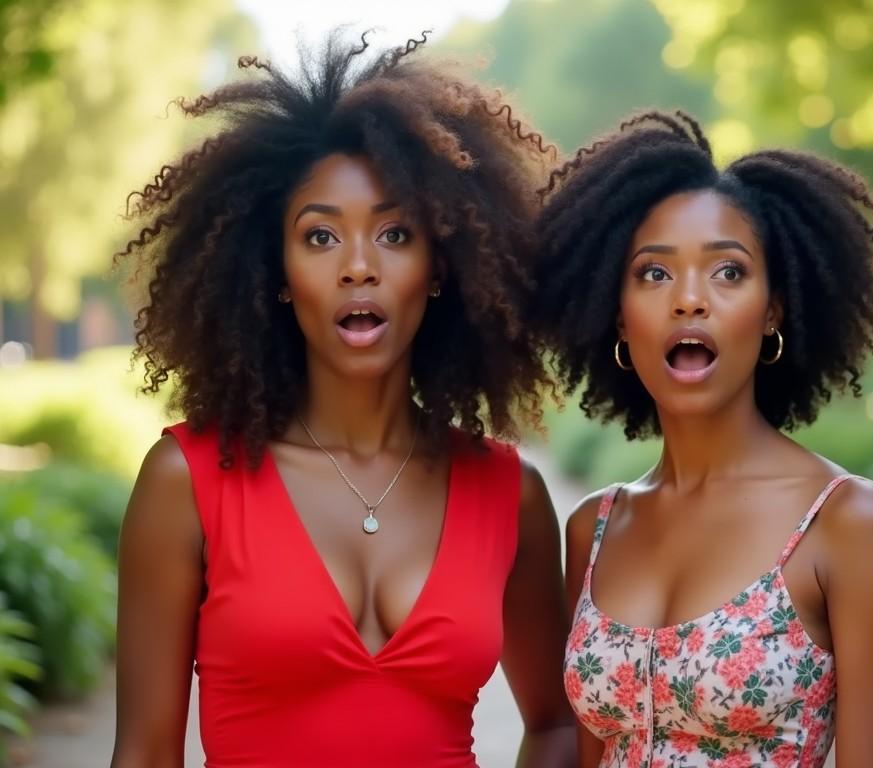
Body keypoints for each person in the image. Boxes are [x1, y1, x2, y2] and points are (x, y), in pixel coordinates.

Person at [111, 33, 575, 768]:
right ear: (278, 273)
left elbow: (557, 725)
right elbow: (143, 755)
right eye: (320, 236)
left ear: (440, 267)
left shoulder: (508, 492)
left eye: (395, 233)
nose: (359, 267)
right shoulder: (187, 482)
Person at [533, 111, 873, 767]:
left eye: (728, 272)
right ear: (616, 316)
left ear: (773, 309)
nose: (688, 300)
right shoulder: (592, 527)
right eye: (653, 274)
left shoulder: (846, 522)